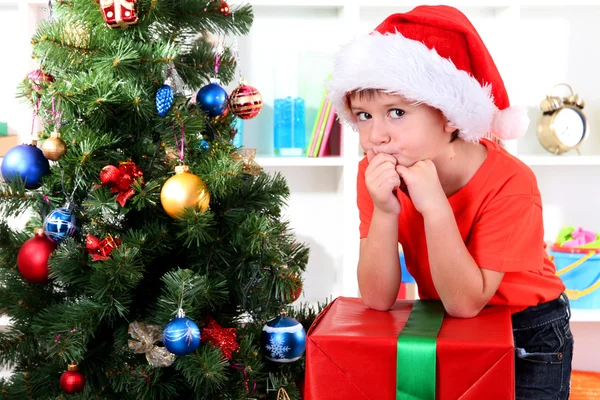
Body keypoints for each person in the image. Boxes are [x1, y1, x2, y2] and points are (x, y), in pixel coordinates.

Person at [327, 5, 573, 399]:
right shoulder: (373, 174)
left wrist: (436, 207)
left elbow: (466, 301)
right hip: (447, 319)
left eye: (396, 112)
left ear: (450, 116)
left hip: (527, 329)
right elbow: (377, 298)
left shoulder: (510, 181)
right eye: (364, 115)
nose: (376, 135)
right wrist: (386, 212)